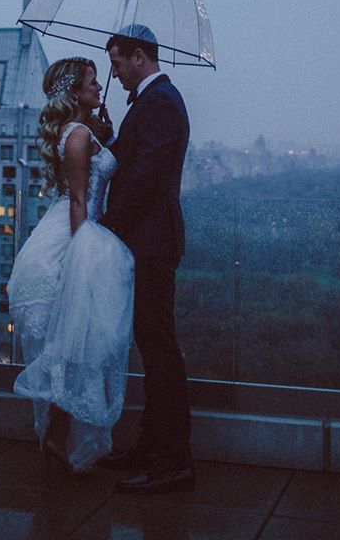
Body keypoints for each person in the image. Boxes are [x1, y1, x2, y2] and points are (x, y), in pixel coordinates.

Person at [7, 57, 134, 474]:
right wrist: (85, 260)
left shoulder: (83, 133)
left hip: (72, 228)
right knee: (76, 340)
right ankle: (60, 439)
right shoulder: (78, 135)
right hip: (72, 236)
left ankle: (59, 439)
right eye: (93, 83)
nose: (100, 87)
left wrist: (107, 138)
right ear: (75, 94)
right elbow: (80, 200)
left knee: (76, 343)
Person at [100, 25, 194, 493]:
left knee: (159, 351)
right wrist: (105, 131)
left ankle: (173, 460)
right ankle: (152, 447)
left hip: (152, 243)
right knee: (153, 348)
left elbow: (146, 176)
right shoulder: (153, 102)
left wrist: (110, 223)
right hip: (149, 242)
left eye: (117, 63)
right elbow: (129, 157)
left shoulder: (159, 102)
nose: (113, 74)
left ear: (139, 57)